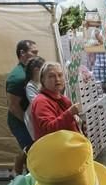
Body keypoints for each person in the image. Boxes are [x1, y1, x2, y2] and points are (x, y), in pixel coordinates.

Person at [6, 40, 38, 173]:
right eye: (33, 52)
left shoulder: (31, 71)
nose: (36, 55)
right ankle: (22, 174)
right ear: (22, 53)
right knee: (32, 149)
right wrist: (29, 124)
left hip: (31, 117)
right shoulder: (17, 77)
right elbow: (13, 107)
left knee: (34, 148)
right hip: (20, 120)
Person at [30, 62, 81, 140]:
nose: (57, 79)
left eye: (60, 75)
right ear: (43, 80)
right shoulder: (41, 101)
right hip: (56, 150)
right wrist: (70, 113)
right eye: (51, 76)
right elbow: (49, 129)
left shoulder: (62, 99)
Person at [23, 56, 45, 141]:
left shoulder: (41, 82)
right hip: (35, 119)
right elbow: (37, 103)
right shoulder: (31, 86)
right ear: (36, 70)